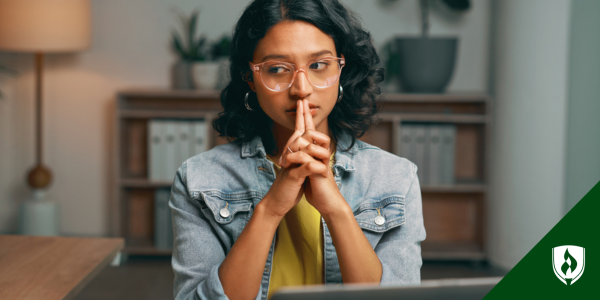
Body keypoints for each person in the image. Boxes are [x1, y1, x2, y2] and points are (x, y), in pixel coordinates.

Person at [169, 0, 426, 299]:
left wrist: (336, 210)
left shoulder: (396, 177)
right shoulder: (198, 179)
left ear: (342, 69)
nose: (301, 88)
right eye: (278, 69)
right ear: (250, 78)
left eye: (318, 65)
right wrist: (271, 208)